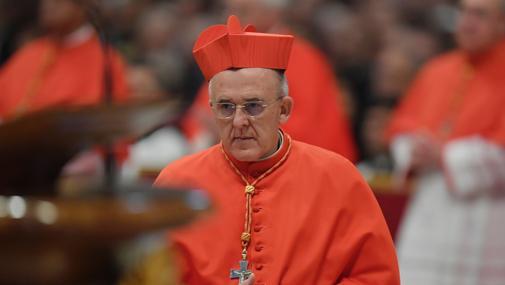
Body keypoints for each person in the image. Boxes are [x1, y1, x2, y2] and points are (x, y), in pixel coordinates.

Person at [155, 15, 399, 285]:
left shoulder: (337, 177)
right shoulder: (176, 183)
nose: (239, 122)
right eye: (226, 107)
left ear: (284, 110)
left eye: (253, 106)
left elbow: (375, 277)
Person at [387, 0, 505, 283]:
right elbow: (401, 130)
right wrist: (412, 150)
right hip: (429, 207)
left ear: (502, 23)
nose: (467, 22)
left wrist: (444, 156)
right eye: (464, 12)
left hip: (486, 214)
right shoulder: (435, 70)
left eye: (480, 15)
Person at [181, 0, 356, 161]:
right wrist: (206, 134)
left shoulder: (304, 59)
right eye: (229, 9)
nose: (232, 18)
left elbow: (308, 126)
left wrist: (232, 130)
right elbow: (200, 115)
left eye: (243, 10)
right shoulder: (229, 55)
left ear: (272, 13)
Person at [0, 0, 128, 122]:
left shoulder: (105, 61)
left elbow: (109, 129)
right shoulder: (30, 52)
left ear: (84, 4)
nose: (48, 4)